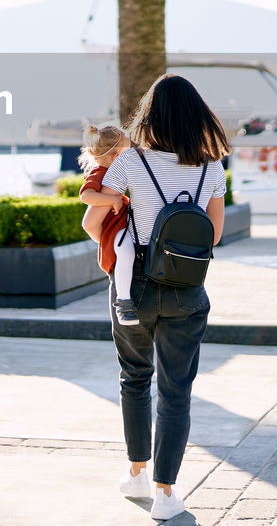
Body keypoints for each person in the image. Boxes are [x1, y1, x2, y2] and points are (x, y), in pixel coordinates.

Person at [95, 74, 229, 521]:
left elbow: (98, 215)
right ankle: (166, 494)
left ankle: (136, 472)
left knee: (135, 378)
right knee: (176, 391)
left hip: (135, 288)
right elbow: (214, 235)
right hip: (187, 291)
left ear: (150, 115)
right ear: (197, 116)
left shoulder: (131, 161)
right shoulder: (213, 166)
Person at [78, 124, 139, 326]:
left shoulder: (107, 172)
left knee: (126, 252)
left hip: (118, 227)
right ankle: (123, 301)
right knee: (126, 252)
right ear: (116, 158)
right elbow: (86, 195)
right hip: (116, 229)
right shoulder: (101, 173)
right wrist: (111, 200)